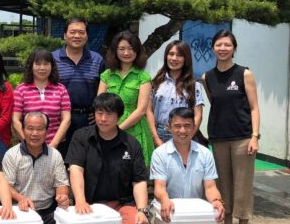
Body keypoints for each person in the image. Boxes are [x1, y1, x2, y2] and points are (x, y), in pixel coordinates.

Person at [65, 93, 150, 224]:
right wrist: (80, 200)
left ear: (119, 116)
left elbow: (139, 181)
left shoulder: (131, 144)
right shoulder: (81, 137)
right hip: (90, 204)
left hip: (121, 203)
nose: (103, 119)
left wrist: (141, 210)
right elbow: (75, 170)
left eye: (109, 114)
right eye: (99, 113)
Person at [202, 30, 261, 224]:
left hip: (243, 137)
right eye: (219, 44)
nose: (223, 48)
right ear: (213, 48)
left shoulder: (244, 74)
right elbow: (215, 105)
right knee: (223, 185)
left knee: (242, 185)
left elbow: (254, 108)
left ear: (234, 48)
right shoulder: (207, 77)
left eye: (227, 45)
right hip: (218, 137)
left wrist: (255, 136)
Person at [2, 111, 70, 224]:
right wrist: (20, 198)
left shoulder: (55, 155)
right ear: (23, 129)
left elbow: (62, 184)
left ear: (46, 131)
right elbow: (6, 186)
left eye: (40, 129)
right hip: (21, 212)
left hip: (48, 210)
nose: (34, 133)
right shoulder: (12, 155)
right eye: (30, 128)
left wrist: (63, 195)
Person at [150, 107, 225, 223]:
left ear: (194, 127)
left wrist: (216, 201)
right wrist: (165, 199)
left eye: (187, 126)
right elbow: (159, 187)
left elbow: (210, 187)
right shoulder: (159, 154)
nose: (183, 130)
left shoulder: (205, 153)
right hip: (167, 208)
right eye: (177, 126)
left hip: (193, 211)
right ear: (169, 127)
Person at [98, 30, 155, 166]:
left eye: (131, 49)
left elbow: (141, 110)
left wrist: (118, 129)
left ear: (137, 51)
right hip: (107, 126)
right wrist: (109, 128)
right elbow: (99, 103)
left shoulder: (143, 77)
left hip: (135, 131)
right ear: (115, 51)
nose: (126, 53)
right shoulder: (107, 75)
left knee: (134, 172)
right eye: (122, 49)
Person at [52, 18, 105, 157]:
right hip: (60, 119)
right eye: (72, 32)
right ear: (64, 35)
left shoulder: (97, 59)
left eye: (81, 32)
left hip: (88, 119)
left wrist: (98, 111)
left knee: (88, 159)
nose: (77, 36)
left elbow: (104, 89)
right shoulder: (53, 59)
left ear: (87, 36)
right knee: (60, 159)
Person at [146, 40, 205, 146]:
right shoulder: (156, 82)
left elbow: (198, 115)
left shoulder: (194, 85)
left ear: (186, 59)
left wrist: (188, 137)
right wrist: (155, 137)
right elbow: (149, 111)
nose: (174, 58)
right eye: (171, 54)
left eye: (179, 55)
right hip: (160, 134)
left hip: (184, 134)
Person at [12, 47, 71, 147]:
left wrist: (53, 144)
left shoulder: (61, 89)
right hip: (27, 147)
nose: (42, 68)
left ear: (52, 66)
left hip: (56, 147)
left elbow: (66, 119)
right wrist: (28, 144)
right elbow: (15, 120)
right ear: (31, 66)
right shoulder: (21, 90)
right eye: (38, 64)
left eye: (46, 64)